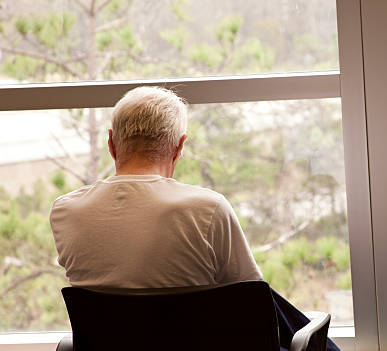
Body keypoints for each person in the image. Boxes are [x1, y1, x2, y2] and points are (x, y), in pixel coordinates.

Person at [49, 86, 340, 351]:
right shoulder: (207, 208)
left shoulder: (66, 212)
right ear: (179, 147)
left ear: (111, 144)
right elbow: (253, 307)